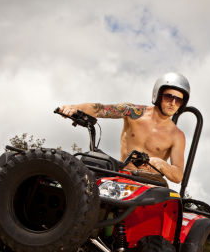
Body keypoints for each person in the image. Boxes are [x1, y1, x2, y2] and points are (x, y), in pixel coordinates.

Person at [57, 72, 190, 184]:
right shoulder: (134, 113)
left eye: (178, 100)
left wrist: (161, 164)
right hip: (121, 175)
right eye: (169, 97)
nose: (173, 103)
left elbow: (178, 176)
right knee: (88, 167)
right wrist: (74, 108)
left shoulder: (177, 135)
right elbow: (100, 109)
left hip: (150, 183)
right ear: (158, 95)